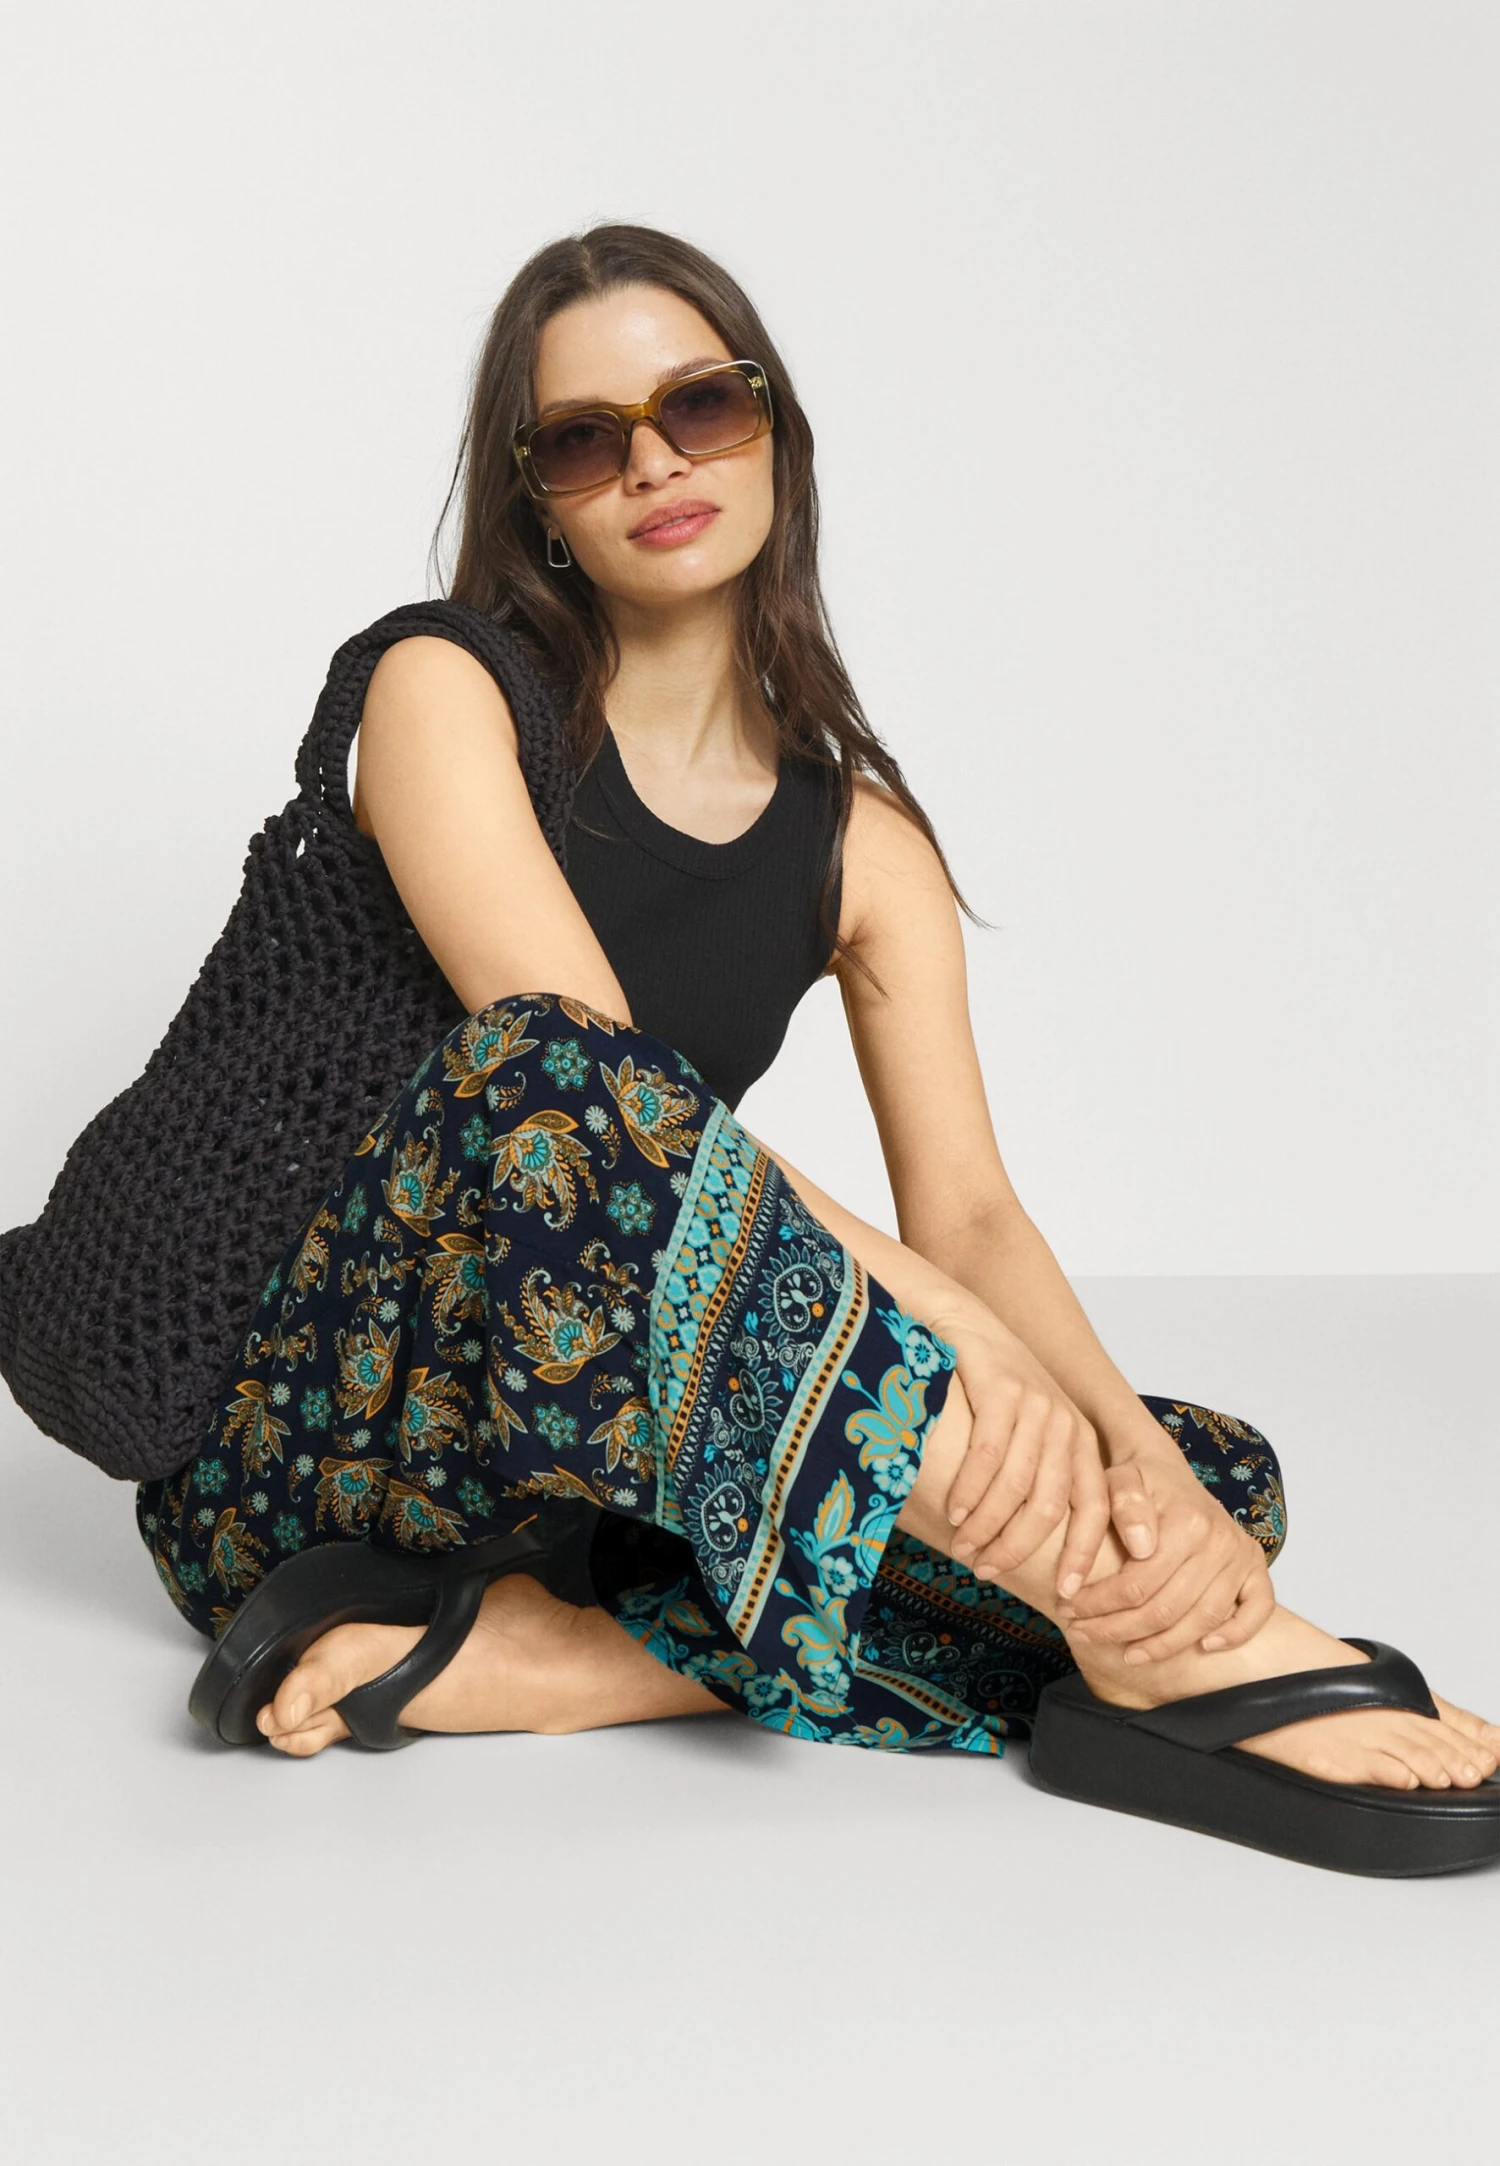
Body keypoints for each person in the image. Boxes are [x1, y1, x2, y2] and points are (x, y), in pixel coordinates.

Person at [134, 223, 1498, 1870]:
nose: (655, 462)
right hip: (328, 1456)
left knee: (1213, 1473)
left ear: (776, 430)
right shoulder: (445, 686)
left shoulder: (863, 843)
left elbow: (972, 1218)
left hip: (598, 1484)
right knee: (559, 1078)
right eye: (587, 439)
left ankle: (590, 1660)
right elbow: (605, 1085)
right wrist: (956, 1347)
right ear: (541, 501)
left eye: (702, 405)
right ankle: (1165, 1644)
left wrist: (1151, 1483)